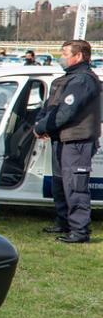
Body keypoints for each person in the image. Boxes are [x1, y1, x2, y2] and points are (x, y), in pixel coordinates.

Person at [34, 39, 101, 243]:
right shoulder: (68, 79)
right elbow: (51, 107)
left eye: (65, 53)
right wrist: (42, 122)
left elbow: (66, 111)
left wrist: (42, 127)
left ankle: (80, 231)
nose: (61, 57)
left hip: (77, 140)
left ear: (78, 56)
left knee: (75, 186)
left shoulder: (83, 80)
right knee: (60, 183)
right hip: (62, 139)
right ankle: (64, 222)